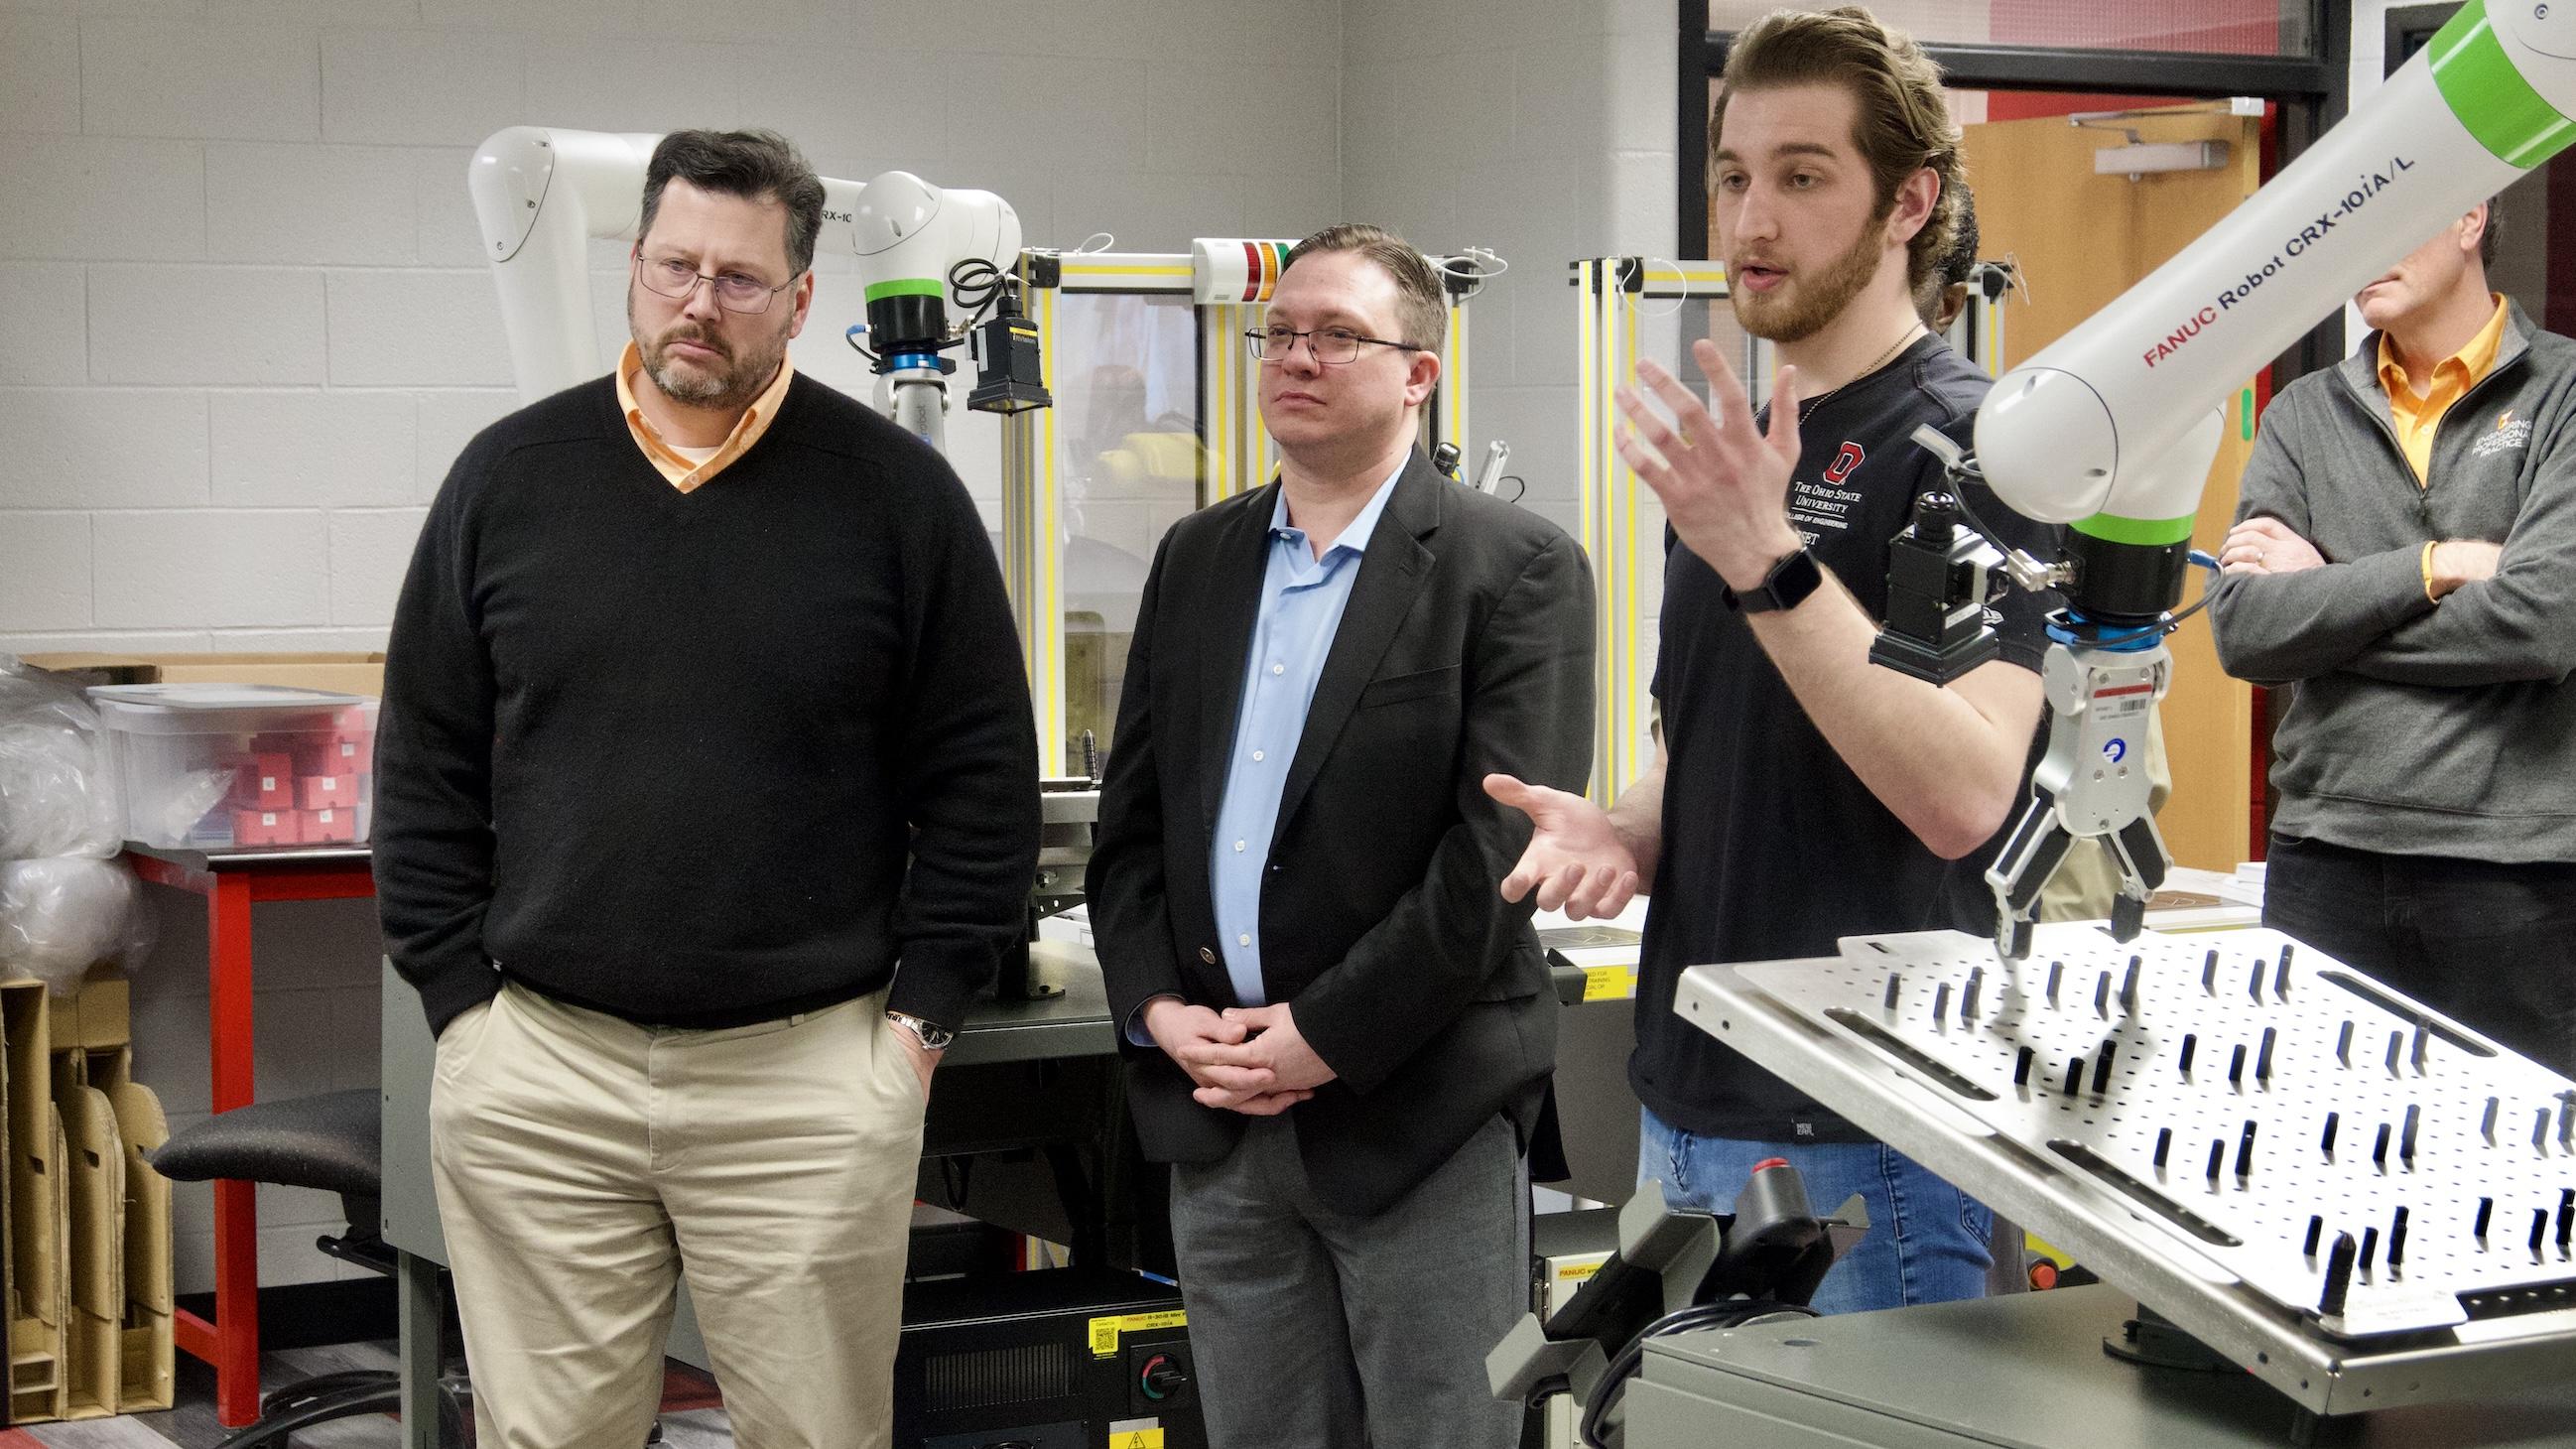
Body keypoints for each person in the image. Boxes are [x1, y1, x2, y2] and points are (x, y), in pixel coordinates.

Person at [373, 128, 1040, 1448]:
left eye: (740, 279)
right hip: (544, 1072)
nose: (699, 301)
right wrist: (461, 1005)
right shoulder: (509, 480)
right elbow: (425, 758)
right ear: (635, 268)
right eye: (676, 264)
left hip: (804, 1081)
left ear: (800, 299)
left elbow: (981, 781)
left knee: (817, 1432)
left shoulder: (899, 498)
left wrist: (915, 1031)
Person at [1483, 5, 2058, 1314]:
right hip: (1692, 1102)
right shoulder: (1755, 447)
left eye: (1803, 177)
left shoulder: (1960, 460)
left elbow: (1960, 788)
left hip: (1869, 1141)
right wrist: (1629, 829)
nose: (1751, 222)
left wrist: (1771, 564)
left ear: (1909, 201)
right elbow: (1713, 729)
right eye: (1735, 177)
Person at [1085, 222, 1594, 1448]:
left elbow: (1494, 864)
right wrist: (1160, 1009)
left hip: (1412, 1110)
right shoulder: (1197, 557)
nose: (1296, 358)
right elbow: (1133, 830)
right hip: (1219, 1115)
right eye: (1281, 335)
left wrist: (1320, 1034)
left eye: (1337, 337)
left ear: (1419, 370)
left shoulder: (1510, 566)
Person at [2209, 198, 2576, 1077]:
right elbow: (2246, 633)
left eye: (2388, 220)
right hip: (2323, 858)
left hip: (2515, 868)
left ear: (2469, 218)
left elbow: (2541, 622)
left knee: (2518, 1186)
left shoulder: (2566, 393)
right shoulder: (2303, 413)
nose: (2360, 256)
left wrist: (2327, 607)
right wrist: (2440, 563)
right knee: (2317, 1167)